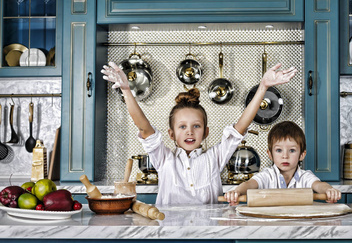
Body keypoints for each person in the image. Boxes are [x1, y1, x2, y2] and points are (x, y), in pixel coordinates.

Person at [101, 62, 297, 205]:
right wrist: (127, 90)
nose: (190, 131)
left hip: (210, 234)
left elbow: (240, 127)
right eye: (182, 126)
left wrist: (263, 87)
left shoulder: (215, 157)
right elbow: (144, 128)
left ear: (205, 132)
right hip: (169, 234)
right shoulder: (164, 159)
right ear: (171, 134)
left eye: (196, 126)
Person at [224, 121, 341, 205]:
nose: (285, 156)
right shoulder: (268, 175)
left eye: (292, 150)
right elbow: (249, 184)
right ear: (270, 154)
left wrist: (328, 190)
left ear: (302, 155)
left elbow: (319, 185)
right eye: (279, 150)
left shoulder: (305, 177)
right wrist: (237, 191)